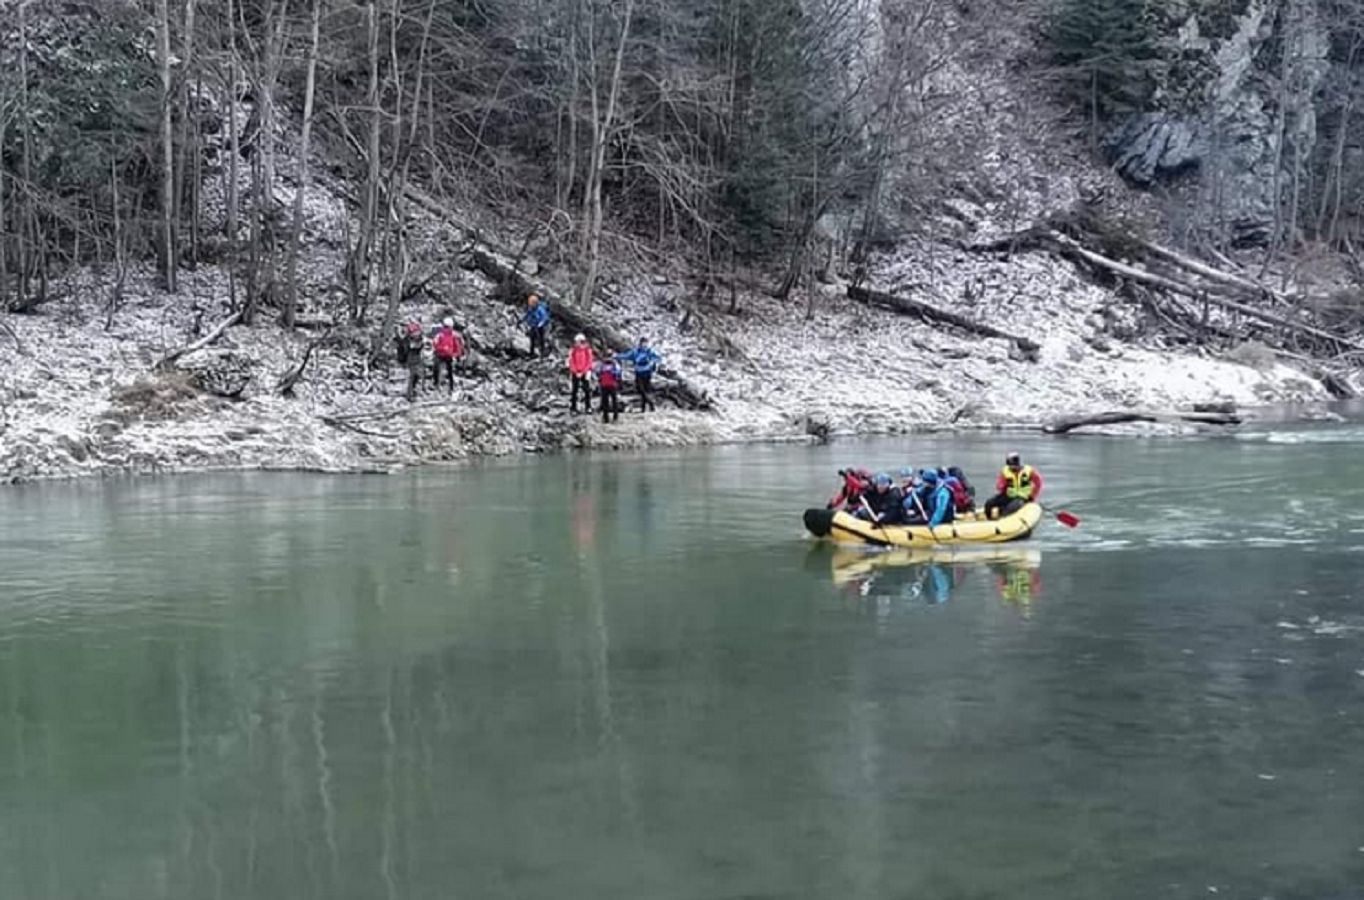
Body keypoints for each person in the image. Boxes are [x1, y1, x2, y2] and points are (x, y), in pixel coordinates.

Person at [984, 451, 1043, 519]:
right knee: (989, 503)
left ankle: (1004, 518)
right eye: (1011, 466)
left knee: (1010, 509)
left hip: (1022, 497)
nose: (1013, 468)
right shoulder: (1005, 471)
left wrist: (1033, 496)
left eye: (1014, 465)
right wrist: (1001, 486)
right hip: (1008, 495)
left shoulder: (1029, 471)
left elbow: (1038, 483)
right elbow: (1000, 484)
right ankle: (989, 519)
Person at [618, 337, 662, 412]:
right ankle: (650, 403)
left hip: (647, 372)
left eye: (646, 343)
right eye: (643, 343)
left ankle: (644, 408)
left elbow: (658, 358)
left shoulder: (650, 351)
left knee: (645, 390)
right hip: (638, 372)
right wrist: (616, 356)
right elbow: (626, 356)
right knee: (640, 390)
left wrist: (653, 363)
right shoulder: (635, 352)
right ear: (640, 343)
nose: (644, 345)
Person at [431, 317, 465, 395]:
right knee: (438, 369)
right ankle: (438, 385)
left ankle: (450, 387)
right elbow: (435, 344)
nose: (446, 328)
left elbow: (457, 346)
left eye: (447, 327)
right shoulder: (441, 335)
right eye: (445, 327)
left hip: (447, 355)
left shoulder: (453, 335)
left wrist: (456, 355)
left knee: (449, 371)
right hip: (441, 354)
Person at [566, 333, 595, 414]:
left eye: (578, 341)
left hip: (585, 373)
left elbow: (589, 362)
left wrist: (583, 372)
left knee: (587, 390)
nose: (577, 343)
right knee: (574, 390)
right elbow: (571, 361)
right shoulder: (573, 350)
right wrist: (575, 371)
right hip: (575, 373)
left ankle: (588, 407)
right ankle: (573, 408)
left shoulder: (587, 350)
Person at [397, 321, 425, 402]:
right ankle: (409, 395)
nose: (416, 334)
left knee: (417, 376)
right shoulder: (407, 340)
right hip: (411, 361)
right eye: (415, 333)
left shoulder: (419, 339)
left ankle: (413, 391)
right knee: (412, 377)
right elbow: (406, 350)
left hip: (417, 360)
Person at [595, 354, 623, 423]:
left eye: (609, 357)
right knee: (606, 402)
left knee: (613, 402)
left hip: (611, 385)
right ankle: (606, 417)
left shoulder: (614, 365)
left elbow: (618, 373)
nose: (608, 359)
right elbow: (597, 372)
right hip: (605, 385)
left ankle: (615, 417)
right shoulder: (601, 365)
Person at [524, 293, 550, 357]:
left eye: (531, 303)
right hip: (534, 326)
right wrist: (522, 320)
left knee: (541, 339)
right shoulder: (531, 308)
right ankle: (531, 353)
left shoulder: (540, 309)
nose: (530, 304)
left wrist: (540, 324)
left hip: (540, 327)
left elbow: (544, 318)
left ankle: (542, 353)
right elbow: (527, 315)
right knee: (532, 339)